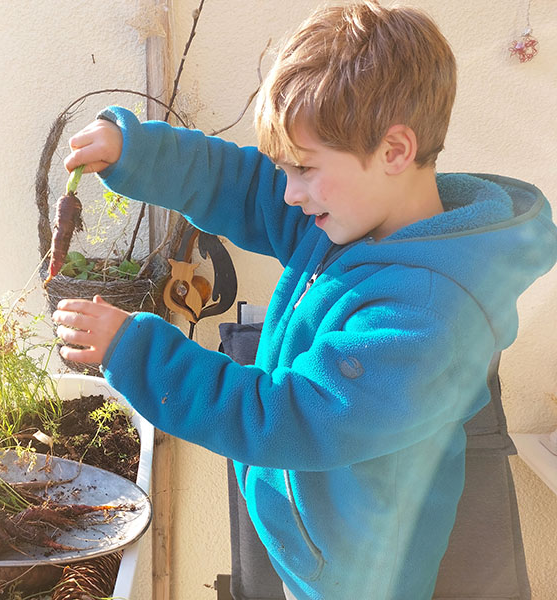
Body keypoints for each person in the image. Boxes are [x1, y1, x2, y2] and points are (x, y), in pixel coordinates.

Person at [51, 2, 557, 599]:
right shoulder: (357, 217)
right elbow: (245, 186)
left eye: (306, 170)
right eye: (286, 168)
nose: (289, 193)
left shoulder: (425, 317)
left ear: (395, 151)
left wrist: (136, 351)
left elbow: (284, 417)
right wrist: (138, 153)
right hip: (315, 543)